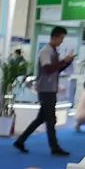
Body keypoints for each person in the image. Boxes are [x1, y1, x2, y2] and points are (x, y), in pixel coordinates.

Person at [13, 26, 73, 156]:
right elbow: (48, 69)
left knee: (42, 118)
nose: (61, 41)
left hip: (50, 89)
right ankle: (54, 147)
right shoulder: (46, 51)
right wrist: (63, 61)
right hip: (46, 89)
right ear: (55, 37)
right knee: (50, 119)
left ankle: (20, 140)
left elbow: (55, 70)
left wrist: (67, 63)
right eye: (61, 38)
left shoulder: (53, 51)